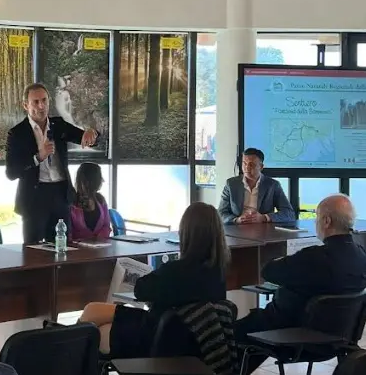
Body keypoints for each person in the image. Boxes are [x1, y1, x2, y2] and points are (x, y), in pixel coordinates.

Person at [80, 202, 228, 358]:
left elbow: (140, 289)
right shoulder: (218, 275)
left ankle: (68, 357)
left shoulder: (175, 271)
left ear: (186, 234)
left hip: (156, 338)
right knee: (95, 321)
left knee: (92, 316)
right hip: (184, 343)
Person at [236, 194, 366, 360]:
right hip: (337, 339)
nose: (315, 222)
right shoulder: (361, 256)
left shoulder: (313, 258)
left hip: (293, 335)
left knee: (232, 333)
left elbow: (268, 272)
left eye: (317, 217)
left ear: (327, 221)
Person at [5, 82, 99, 244]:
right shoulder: (17, 133)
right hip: (34, 197)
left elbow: (86, 138)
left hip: (60, 194)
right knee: (33, 251)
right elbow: (11, 173)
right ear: (26, 105)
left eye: (44, 100)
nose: (41, 106)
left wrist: (93, 134)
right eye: (36, 102)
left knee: (62, 247)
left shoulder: (58, 125)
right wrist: (38, 157)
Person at [218, 148, 295, 224]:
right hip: (237, 228)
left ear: (261, 167)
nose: (247, 167)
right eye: (244, 163)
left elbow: (289, 214)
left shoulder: (273, 185)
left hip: (262, 228)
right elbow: (221, 213)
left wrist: (264, 218)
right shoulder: (231, 184)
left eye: (251, 164)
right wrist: (236, 220)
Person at [69, 162, 111, 242]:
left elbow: (106, 226)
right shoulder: (72, 202)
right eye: (99, 177)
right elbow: (68, 232)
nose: (102, 180)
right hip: (77, 247)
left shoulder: (100, 199)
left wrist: (98, 240)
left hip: (100, 245)